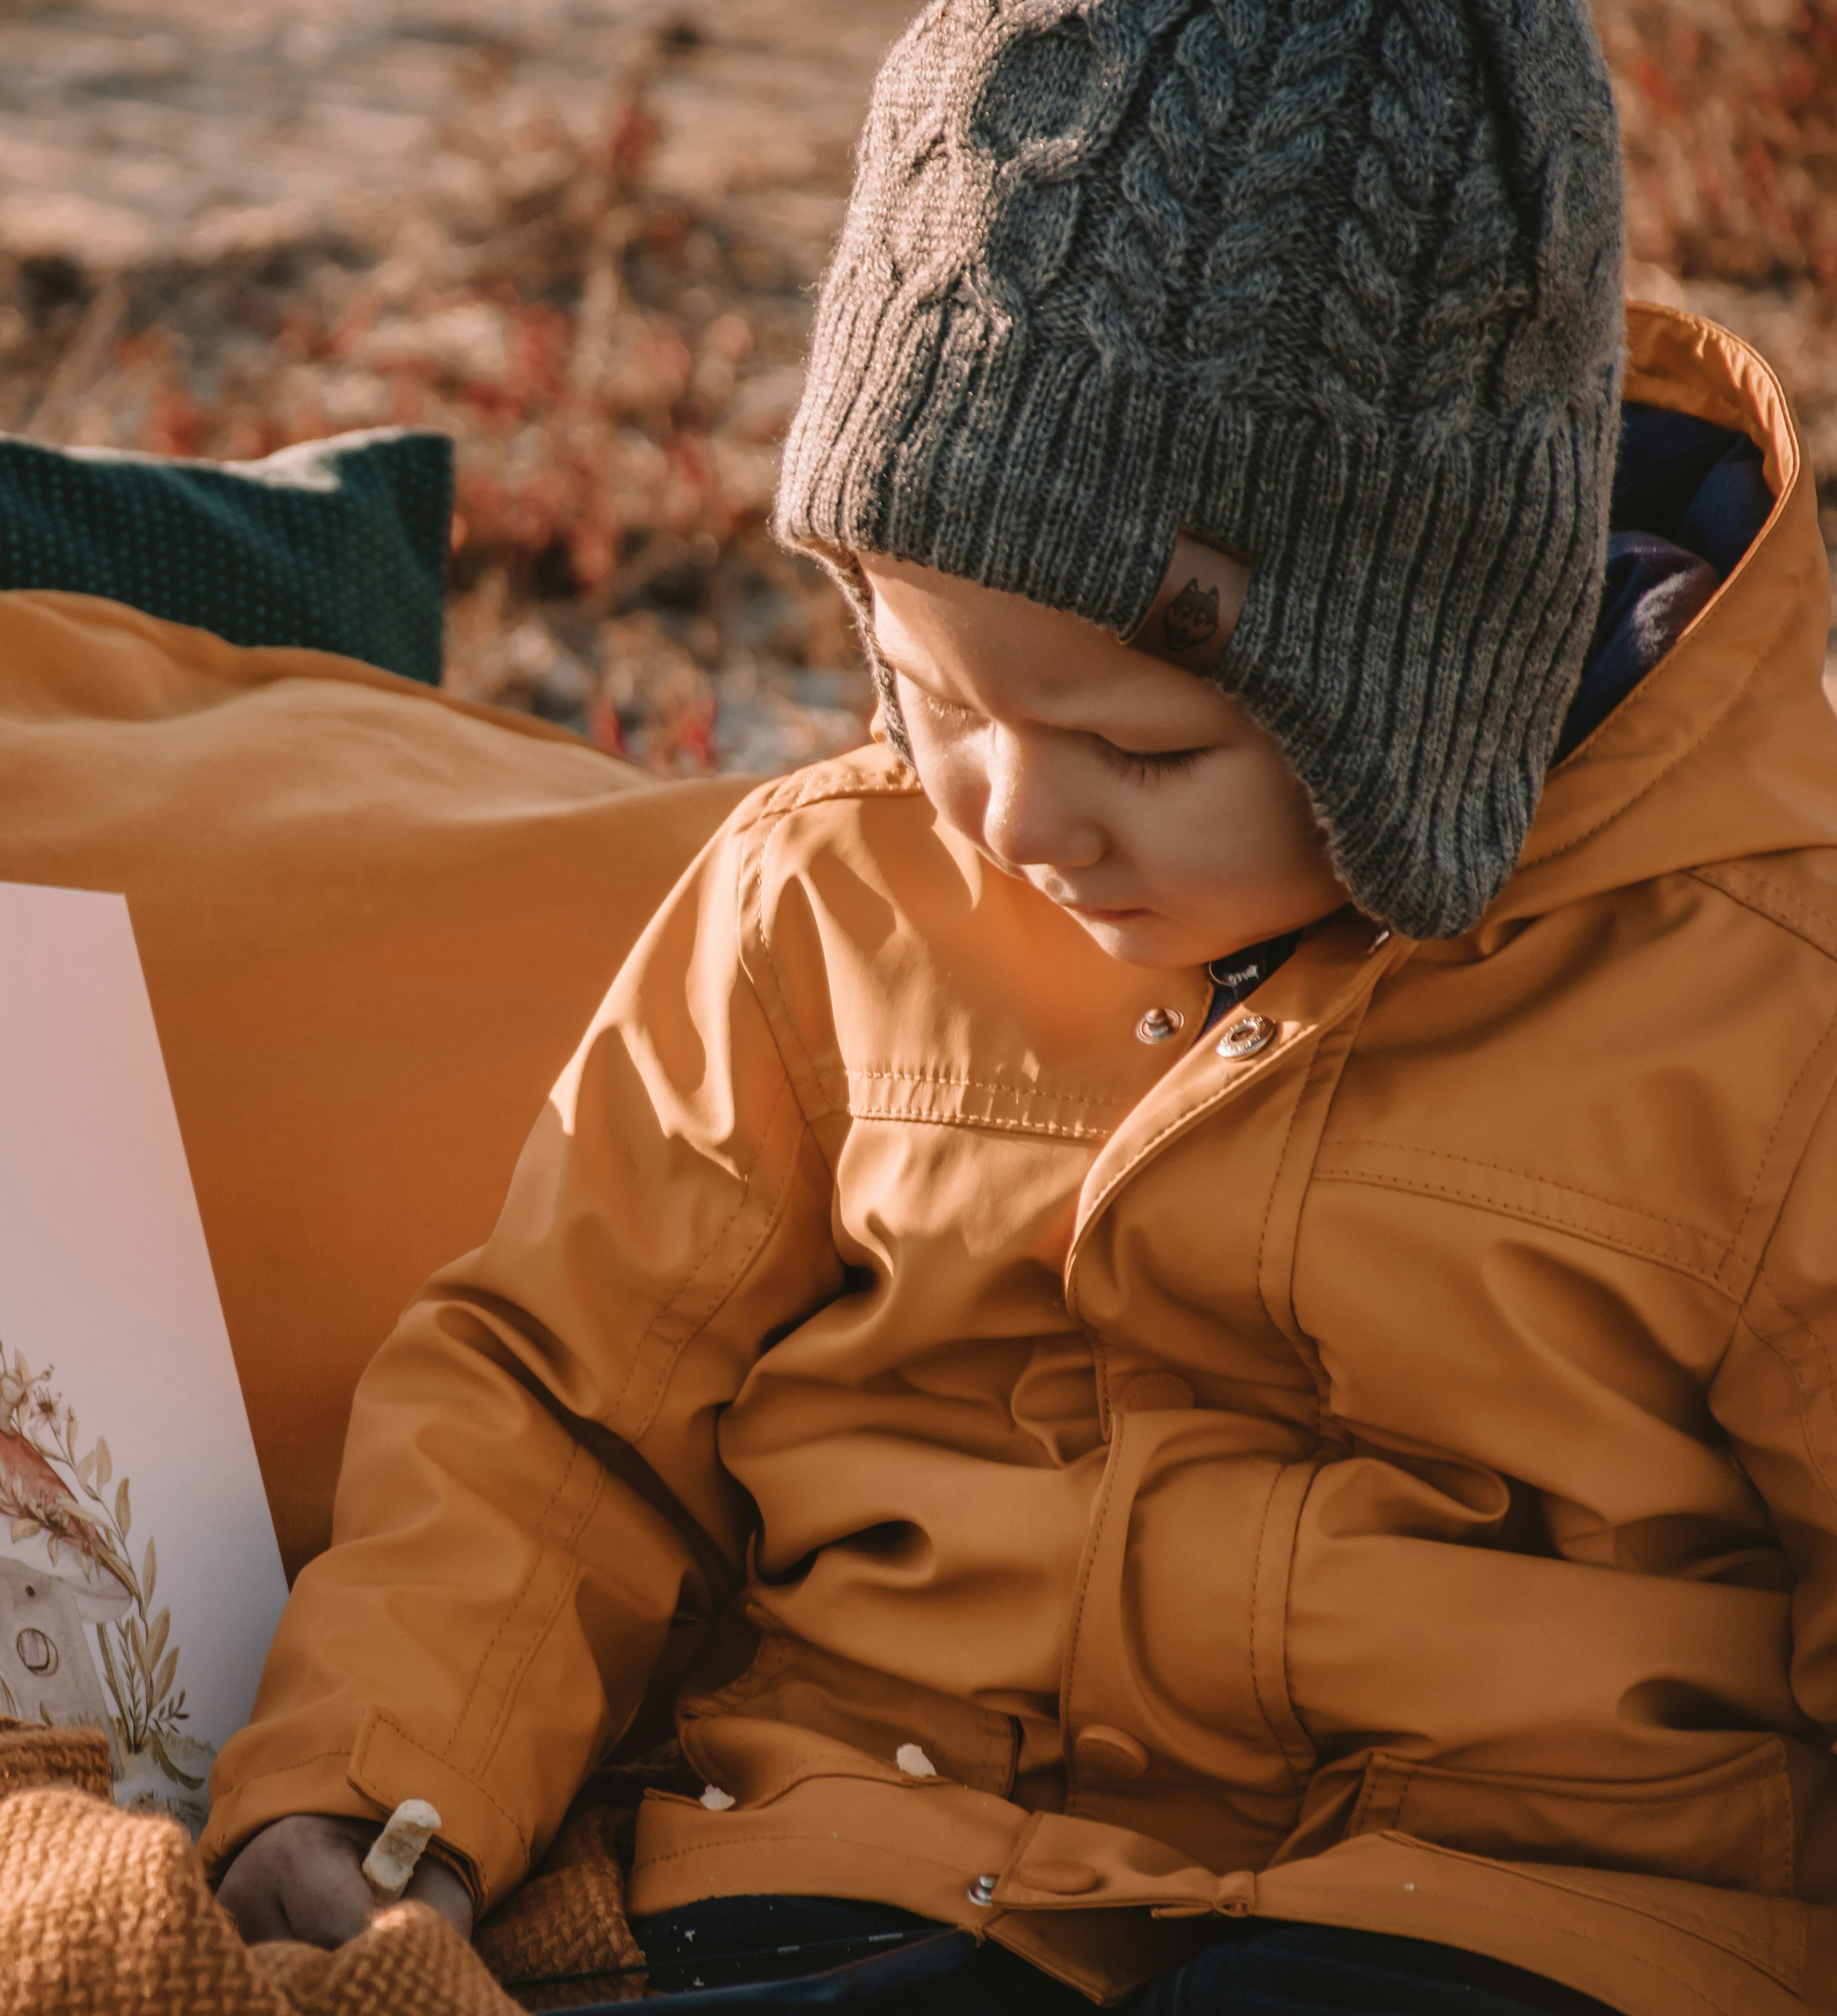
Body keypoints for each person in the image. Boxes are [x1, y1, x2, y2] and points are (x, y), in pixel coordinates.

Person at [200, 0, 1837, 2009]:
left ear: (1426, 692)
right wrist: (380, 1782)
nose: (1007, 815)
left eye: (1140, 749)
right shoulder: (827, 899)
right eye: (930, 691)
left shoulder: (1765, 1001)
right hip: (873, 1853)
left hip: (1508, 1912)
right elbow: (563, 1409)